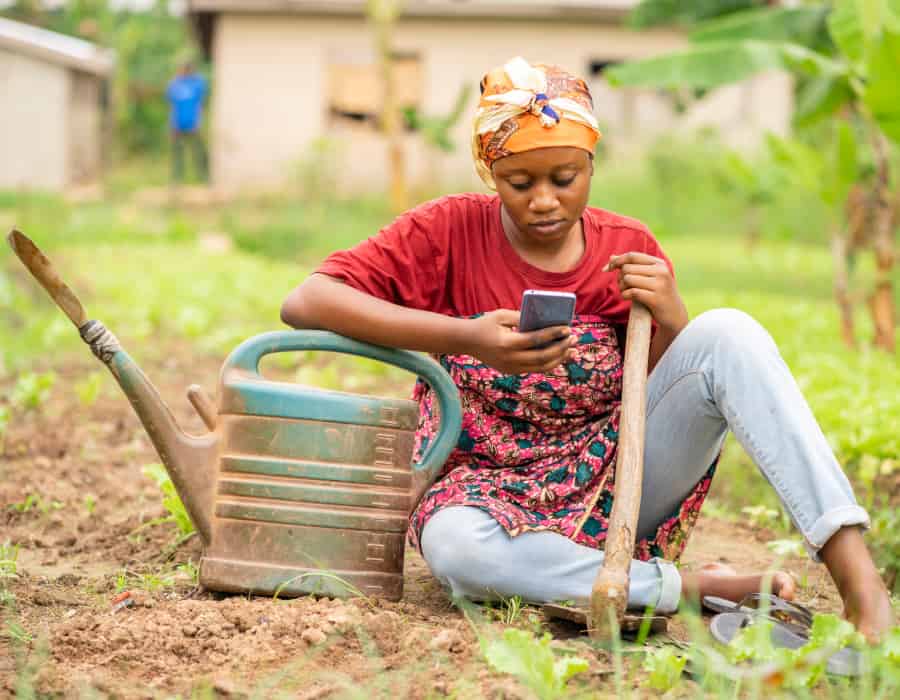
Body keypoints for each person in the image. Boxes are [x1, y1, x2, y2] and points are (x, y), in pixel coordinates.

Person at [280, 57, 894, 641]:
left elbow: (667, 393)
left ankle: (859, 578)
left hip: (615, 483)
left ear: (591, 167)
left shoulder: (627, 248)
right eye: (519, 183)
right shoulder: (446, 232)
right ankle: (679, 587)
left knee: (730, 331)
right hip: (483, 489)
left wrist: (674, 318)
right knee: (457, 552)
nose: (543, 200)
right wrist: (464, 336)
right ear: (490, 174)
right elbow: (307, 300)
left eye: (564, 179)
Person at [166, 61, 208, 184]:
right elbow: (172, 106)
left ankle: (203, 177)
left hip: (193, 124)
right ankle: (176, 179)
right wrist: (172, 124)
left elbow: (200, 104)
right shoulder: (175, 84)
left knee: (198, 151)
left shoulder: (197, 84)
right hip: (178, 124)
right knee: (177, 154)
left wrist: (198, 122)